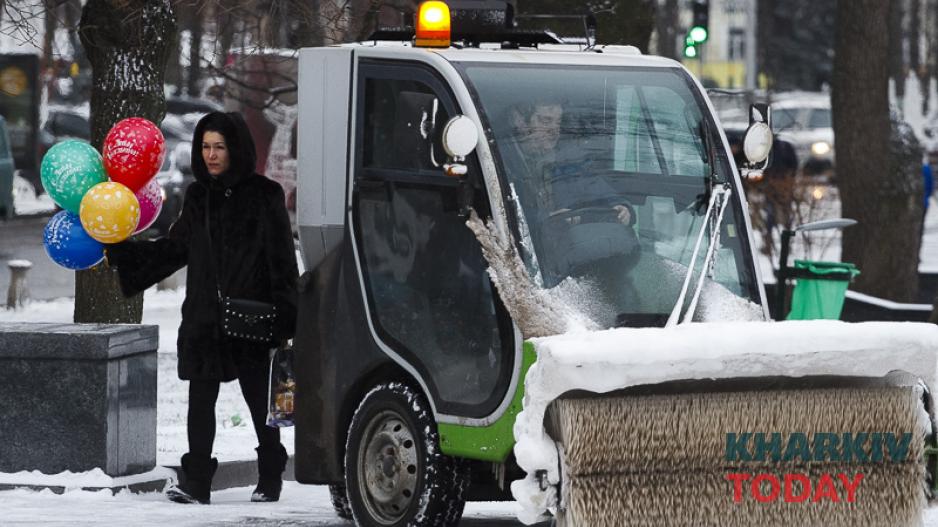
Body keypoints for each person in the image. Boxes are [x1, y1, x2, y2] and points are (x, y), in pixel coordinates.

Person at [106, 111, 298, 505]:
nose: (211, 155)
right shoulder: (198, 195)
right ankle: (197, 482)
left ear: (236, 149)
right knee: (200, 398)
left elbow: (282, 259)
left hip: (253, 316)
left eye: (220, 147)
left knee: (259, 401)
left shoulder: (265, 194)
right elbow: (177, 248)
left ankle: (270, 473)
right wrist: (126, 255)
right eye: (206, 147)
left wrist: (285, 315)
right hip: (204, 318)